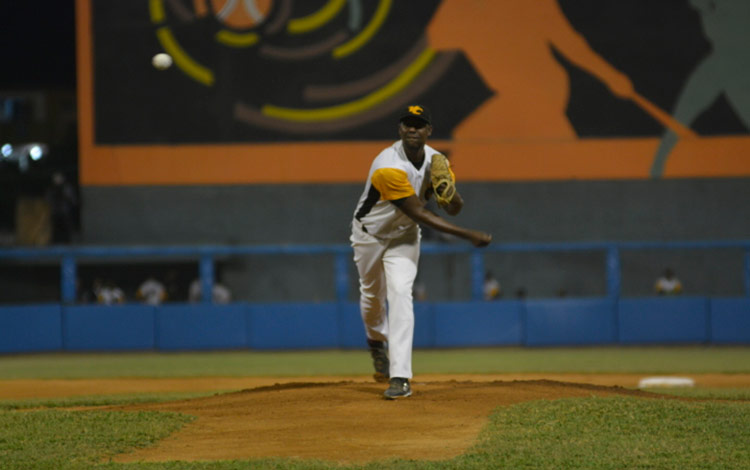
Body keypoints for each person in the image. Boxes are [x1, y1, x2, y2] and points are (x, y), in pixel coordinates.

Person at [350, 104, 492, 399]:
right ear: (400, 130)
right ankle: (376, 343)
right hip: (370, 235)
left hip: (404, 236)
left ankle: (400, 377)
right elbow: (419, 213)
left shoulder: (437, 161)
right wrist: (468, 234)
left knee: (401, 292)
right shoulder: (387, 165)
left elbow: (454, 207)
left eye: (419, 124)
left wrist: (448, 192)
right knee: (372, 296)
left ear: (429, 131)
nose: (412, 128)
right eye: (407, 124)